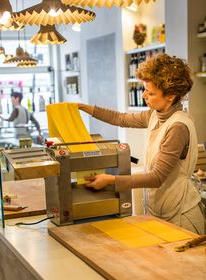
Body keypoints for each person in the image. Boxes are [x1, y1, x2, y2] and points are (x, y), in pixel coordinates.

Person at [78, 53, 205, 234]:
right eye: (144, 89)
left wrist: (111, 181)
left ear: (170, 96)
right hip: (163, 209)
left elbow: (156, 178)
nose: (144, 95)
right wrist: (83, 107)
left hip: (182, 216)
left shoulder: (178, 127)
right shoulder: (154, 114)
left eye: (150, 92)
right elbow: (120, 118)